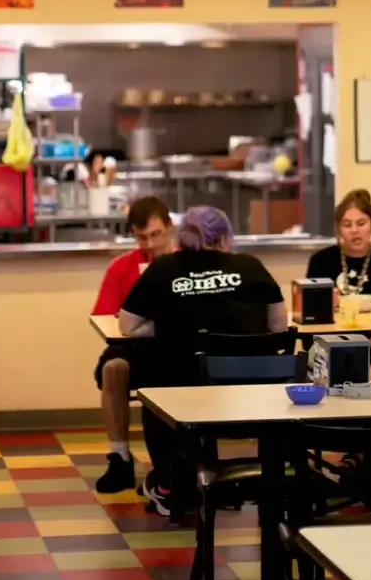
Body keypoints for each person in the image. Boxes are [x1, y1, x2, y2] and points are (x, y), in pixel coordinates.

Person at [118, 205, 287, 515]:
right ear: (223, 239)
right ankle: (273, 477)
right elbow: (278, 326)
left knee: (153, 390)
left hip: (186, 395)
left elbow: (127, 326)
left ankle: (170, 485)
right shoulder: (250, 266)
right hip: (251, 395)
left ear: (182, 237)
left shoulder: (164, 268)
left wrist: (171, 325)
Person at [91, 195, 175, 494]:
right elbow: (104, 317)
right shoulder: (121, 268)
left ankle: (183, 463)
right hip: (134, 348)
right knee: (112, 368)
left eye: (156, 235)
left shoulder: (187, 264)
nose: (150, 245)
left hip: (180, 347)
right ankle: (120, 457)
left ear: (170, 228)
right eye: (142, 238)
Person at [305, 189, 371, 296]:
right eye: (347, 225)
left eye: (361, 223)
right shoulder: (320, 262)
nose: (354, 230)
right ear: (338, 228)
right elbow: (309, 308)